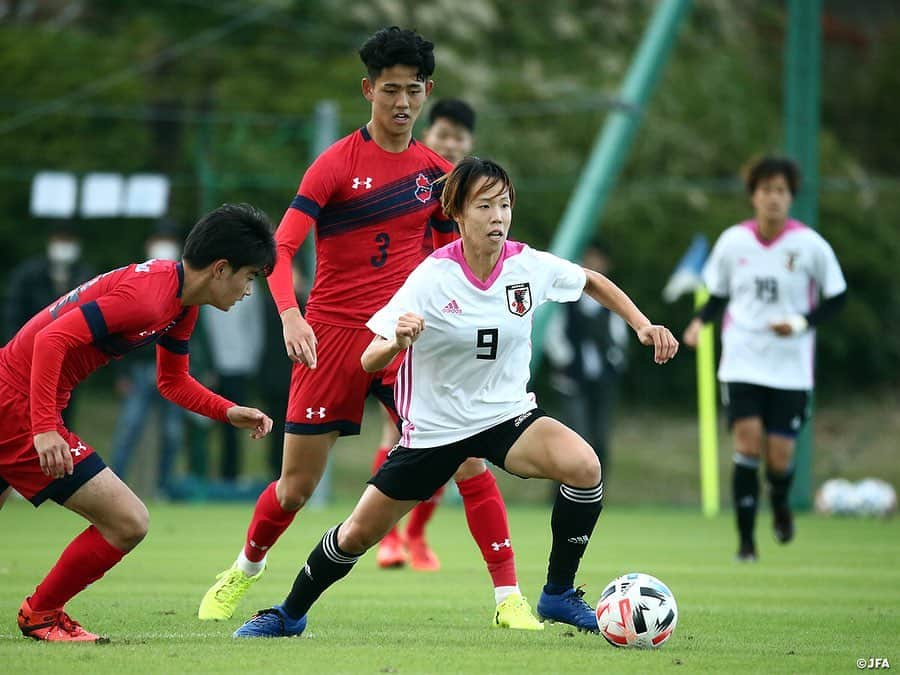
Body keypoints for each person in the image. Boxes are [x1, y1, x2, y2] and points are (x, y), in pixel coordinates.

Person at [231, 157, 678, 638]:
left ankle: (558, 594)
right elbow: (368, 361)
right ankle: (287, 614)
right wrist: (397, 341)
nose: (497, 217)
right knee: (359, 533)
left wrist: (642, 323)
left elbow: (590, 280)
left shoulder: (527, 265)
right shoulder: (432, 276)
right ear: (458, 215)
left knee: (585, 467)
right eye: (484, 206)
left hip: (507, 416)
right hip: (436, 430)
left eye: (504, 204)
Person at [198, 27, 533, 631]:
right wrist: (291, 314)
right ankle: (243, 570)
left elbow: (457, 256)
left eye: (413, 91)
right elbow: (282, 244)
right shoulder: (334, 165)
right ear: (368, 90)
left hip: (404, 337)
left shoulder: (440, 176)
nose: (402, 103)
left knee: (468, 460)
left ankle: (509, 598)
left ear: (426, 92)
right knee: (295, 488)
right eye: (390, 91)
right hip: (328, 336)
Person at [0, 203, 276, 642]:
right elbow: (51, 340)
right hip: (16, 404)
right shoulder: (148, 297)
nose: (248, 290)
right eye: (250, 277)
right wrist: (44, 427)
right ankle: (42, 613)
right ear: (221, 269)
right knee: (127, 521)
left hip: (14, 394)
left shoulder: (179, 301)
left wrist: (227, 410)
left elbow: (172, 382)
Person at [682, 156, 847, 562]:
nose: (773, 198)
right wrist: (698, 324)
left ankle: (780, 503)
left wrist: (801, 322)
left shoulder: (809, 244)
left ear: (790, 197)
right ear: (753, 196)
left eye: (781, 191)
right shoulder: (733, 241)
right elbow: (718, 294)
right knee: (747, 443)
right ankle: (745, 543)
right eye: (766, 190)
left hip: (790, 367)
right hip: (742, 360)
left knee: (779, 456)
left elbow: (838, 296)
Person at [371, 97, 478, 571]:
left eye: (460, 137)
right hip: (406, 320)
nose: (451, 144)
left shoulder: (479, 196)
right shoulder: (411, 187)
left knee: (456, 436)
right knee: (399, 428)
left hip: (457, 327)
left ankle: (415, 535)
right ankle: (389, 536)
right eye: (444, 135)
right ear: (427, 136)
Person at [109, 219, 186, 495]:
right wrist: (121, 372)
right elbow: (118, 327)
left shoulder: (187, 287)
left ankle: (162, 488)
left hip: (172, 369)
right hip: (140, 367)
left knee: (172, 434)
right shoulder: (137, 279)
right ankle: (112, 487)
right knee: (129, 429)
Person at [545, 240, 629, 473]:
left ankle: (596, 490)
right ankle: (564, 490)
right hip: (573, 378)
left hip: (602, 378)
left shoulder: (611, 301)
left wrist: (614, 360)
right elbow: (555, 334)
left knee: (600, 436)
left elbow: (618, 335)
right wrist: (565, 360)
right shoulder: (566, 298)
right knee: (574, 436)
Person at [4, 220, 94, 426]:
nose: (63, 245)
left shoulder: (85, 275)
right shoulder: (28, 275)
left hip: (67, 362)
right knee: (24, 415)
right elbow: (14, 313)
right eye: (60, 239)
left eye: (68, 240)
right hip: (29, 356)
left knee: (62, 419)